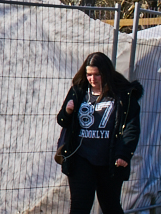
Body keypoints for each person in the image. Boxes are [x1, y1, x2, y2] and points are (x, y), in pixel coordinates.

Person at [57, 51, 144, 214]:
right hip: (81, 157)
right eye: (89, 74)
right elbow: (62, 121)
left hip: (109, 159)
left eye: (97, 74)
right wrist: (68, 112)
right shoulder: (79, 91)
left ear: (106, 73)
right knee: (79, 206)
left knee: (110, 206)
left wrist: (124, 154)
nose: (92, 79)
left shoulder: (123, 95)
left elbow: (131, 127)